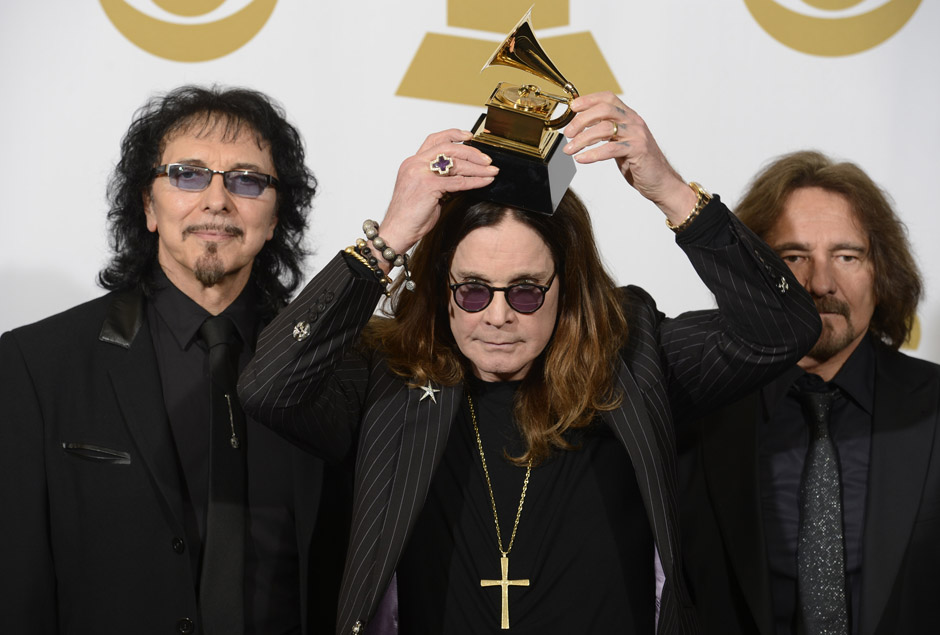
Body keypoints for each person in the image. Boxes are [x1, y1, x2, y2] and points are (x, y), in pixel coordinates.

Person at [238, 92, 821, 635]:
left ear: (568, 289)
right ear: (441, 288)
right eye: (471, 291)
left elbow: (784, 328)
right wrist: (387, 239)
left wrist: (670, 190)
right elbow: (269, 387)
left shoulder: (635, 357)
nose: (496, 317)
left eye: (524, 292)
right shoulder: (387, 375)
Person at [0, 85, 345, 634]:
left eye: (247, 180)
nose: (216, 200)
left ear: (277, 216)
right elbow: (17, 588)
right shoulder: (35, 365)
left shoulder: (337, 364)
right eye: (187, 174)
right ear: (147, 205)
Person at [677, 150, 940, 634]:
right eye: (793, 257)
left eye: (847, 256)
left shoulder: (934, 407)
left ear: (881, 272)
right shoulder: (694, 414)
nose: (820, 284)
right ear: (751, 272)